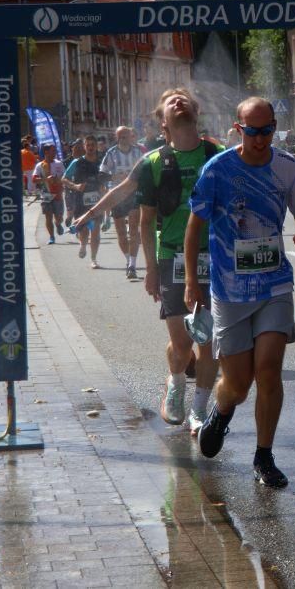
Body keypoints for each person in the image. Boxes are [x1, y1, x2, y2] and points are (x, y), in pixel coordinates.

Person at [186, 96, 295, 489]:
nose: (260, 139)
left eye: (267, 130)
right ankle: (222, 411)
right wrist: (191, 281)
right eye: (253, 131)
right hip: (229, 290)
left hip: (274, 283)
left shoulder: (287, 167)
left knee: (269, 368)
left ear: (275, 127)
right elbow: (195, 227)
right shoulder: (218, 169)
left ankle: (264, 455)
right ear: (238, 129)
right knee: (238, 385)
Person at [122, 89, 223, 431]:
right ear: (163, 122)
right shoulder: (154, 163)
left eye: (184, 99)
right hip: (171, 258)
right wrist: (150, 269)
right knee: (182, 343)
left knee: (209, 341)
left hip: (214, 258)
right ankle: (176, 382)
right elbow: (146, 221)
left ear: (196, 111)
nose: (179, 102)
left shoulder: (217, 155)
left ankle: (199, 410)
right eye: (171, 101)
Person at [101, 126, 147, 279]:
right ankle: (128, 260)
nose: (124, 138)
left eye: (126, 135)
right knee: (121, 232)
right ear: (117, 137)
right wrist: (114, 177)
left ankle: (132, 264)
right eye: (121, 136)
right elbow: (102, 174)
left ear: (131, 136)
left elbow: (147, 170)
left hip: (133, 194)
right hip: (117, 195)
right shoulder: (111, 153)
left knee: (133, 230)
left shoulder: (138, 152)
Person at [64, 135, 107, 268]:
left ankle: (94, 259)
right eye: (88, 145)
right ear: (84, 146)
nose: (90, 148)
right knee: (83, 230)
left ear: (96, 146)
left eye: (93, 145)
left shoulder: (101, 162)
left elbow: (107, 177)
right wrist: (75, 186)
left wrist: (104, 187)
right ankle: (83, 244)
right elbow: (64, 179)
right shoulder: (77, 162)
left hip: (97, 200)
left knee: (95, 230)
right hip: (81, 200)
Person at [32, 143, 65, 244]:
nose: (55, 153)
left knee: (59, 217)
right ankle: (51, 236)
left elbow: (65, 176)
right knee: (48, 216)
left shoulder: (59, 164)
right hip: (46, 194)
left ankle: (58, 224)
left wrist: (58, 180)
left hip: (58, 194)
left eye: (55, 150)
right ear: (46, 152)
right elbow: (34, 179)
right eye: (52, 150)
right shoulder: (40, 165)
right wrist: (46, 179)